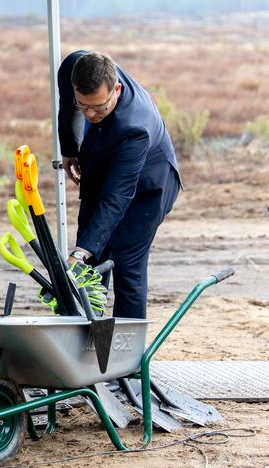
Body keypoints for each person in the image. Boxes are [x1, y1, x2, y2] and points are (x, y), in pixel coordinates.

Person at [57, 51, 181, 319]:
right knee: (90, 256)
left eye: (99, 107)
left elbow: (118, 196)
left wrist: (81, 253)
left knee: (126, 262)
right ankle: (84, 336)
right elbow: (67, 106)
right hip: (104, 163)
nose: (90, 114)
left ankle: (129, 349)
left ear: (117, 89)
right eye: (84, 106)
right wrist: (69, 149)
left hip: (149, 186)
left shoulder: (135, 127)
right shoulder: (72, 67)